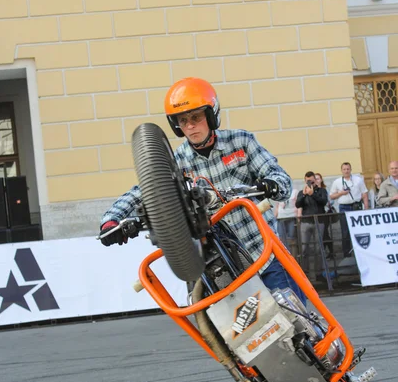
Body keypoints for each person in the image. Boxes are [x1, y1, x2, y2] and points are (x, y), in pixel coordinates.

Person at [100, 77, 305, 305]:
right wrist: (112, 220)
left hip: (264, 254)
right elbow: (144, 189)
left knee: (296, 321)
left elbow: (280, 178)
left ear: (210, 115)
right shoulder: (175, 161)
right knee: (231, 335)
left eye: (196, 117)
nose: (190, 125)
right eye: (183, 120)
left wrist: (270, 185)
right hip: (224, 268)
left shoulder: (241, 141)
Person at [329, 162, 369, 257]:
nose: (346, 171)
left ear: (351, 169)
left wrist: (366, 208)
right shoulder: (337, 182)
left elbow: (364, 194)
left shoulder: (358, 180)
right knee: (345, 231)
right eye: (344, 169)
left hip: (356, 206)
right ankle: (346, 253)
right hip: (344, 207)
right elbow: (332, 196)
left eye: (348, 169)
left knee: (359, 230)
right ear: (341, 170)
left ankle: (361, 252)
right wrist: (341, 193)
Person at [295, 171, 328, 279]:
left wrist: (312, 194)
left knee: (319, 248)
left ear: (315, 180)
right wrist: (304, 195)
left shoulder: (321, 191)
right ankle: (305, 273)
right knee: (304, 248)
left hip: (319, 222)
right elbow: (298, 204)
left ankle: (320, 273)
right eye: (308, 180)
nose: (310, 182)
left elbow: (323, 201)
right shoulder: (302, 192)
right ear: (305, 181)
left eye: (312, 180)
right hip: (306, 222)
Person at [274, 189, 298, 256]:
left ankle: (293, 257)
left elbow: (297, 204)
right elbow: (277, 205)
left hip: (291, 216)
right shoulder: (279, 191)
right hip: (281, 216)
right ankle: (284, 256)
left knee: (292, 237)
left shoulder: (294, 191)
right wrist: (275, 215)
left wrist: (298, 215)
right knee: (281, 238)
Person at [315, 172, 334, 258]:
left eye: (318, 178)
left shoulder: (324, 190)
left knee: (325, 233)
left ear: (321, 180)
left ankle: (331, 251)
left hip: (325, 213)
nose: (316, 180)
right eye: (315, 179)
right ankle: (328, 251)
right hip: (317, 214)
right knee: (323, 233)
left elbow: (330, 201)